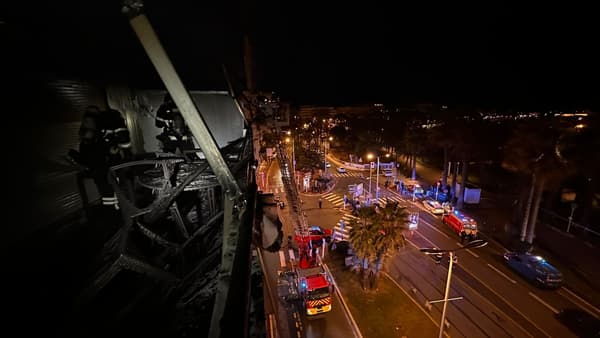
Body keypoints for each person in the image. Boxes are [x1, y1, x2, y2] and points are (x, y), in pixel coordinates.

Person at [68, 106, 131, 210]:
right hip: (104, 168)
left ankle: (118, 211)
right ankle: (119, 211)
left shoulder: (96, 131)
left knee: (112, 192)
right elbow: (89, 154)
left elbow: (91, 153)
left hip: (104, 168)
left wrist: (75, 156)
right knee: (113, 192)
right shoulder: (94, 132)